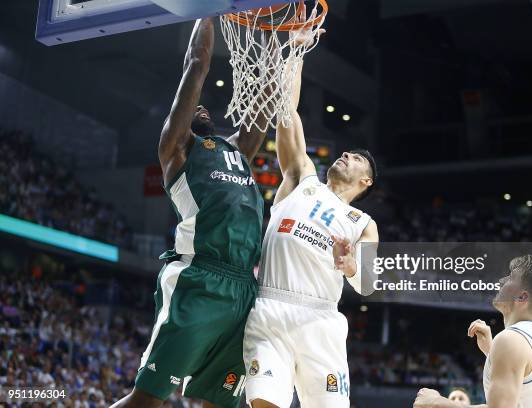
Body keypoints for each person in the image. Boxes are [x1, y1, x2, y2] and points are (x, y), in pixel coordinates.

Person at [111, 17, 269, 408]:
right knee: (146, 399)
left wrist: (284, 46)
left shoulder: (237, 153)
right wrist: (207, 9)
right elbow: (196, 65)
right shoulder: (178, 149)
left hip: (243, 289)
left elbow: (265, 106)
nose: (198, 105)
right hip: (198, 282)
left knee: (222, 403)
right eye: (189, 106)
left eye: (201, 107)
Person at [241, 20, 379, 408]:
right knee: (264, 403)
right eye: (345, 152)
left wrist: (351, 266)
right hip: (268, 306)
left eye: (355, 158)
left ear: (366, 182)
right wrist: (296, 51)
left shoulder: (363, 225)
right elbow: (287, 111)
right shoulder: (302, 178)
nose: (345, 155)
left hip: (319, 318)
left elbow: (368, 285)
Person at [414, 255, 532, 408]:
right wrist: (492, 351)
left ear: (522, 297)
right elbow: (528, 389)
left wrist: (435, 403)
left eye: (511, 277)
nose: (501, 280)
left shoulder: (511, 340)